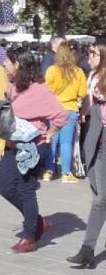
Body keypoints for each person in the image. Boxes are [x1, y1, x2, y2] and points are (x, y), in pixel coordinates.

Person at [0, 49, 67, 253]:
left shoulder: (39, 89)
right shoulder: (11, 86)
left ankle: (30, 238)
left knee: (26, 190)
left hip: (32, 147)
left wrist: (50, 133)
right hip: (12, 144)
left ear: (18, 64)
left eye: (7, 62)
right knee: (5, 188)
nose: (4, 65)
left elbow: (60, 115)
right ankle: (38, 222)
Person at [68, 43, 106, 268]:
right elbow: (88, 107)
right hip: (94, 140)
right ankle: (87, 251)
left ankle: (87, 250)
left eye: (93, 53)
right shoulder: (91, 76)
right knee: (98, 195)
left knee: (101, 199)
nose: (88, 56)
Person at [44, 41, 87, 183]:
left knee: (51, 141)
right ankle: (65, 174)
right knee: (66, 143)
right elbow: (82, 93)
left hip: (53, 110)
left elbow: (46, 91)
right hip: (70, 109)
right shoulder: (78, 71)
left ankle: (47, 172)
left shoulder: (51, 70)